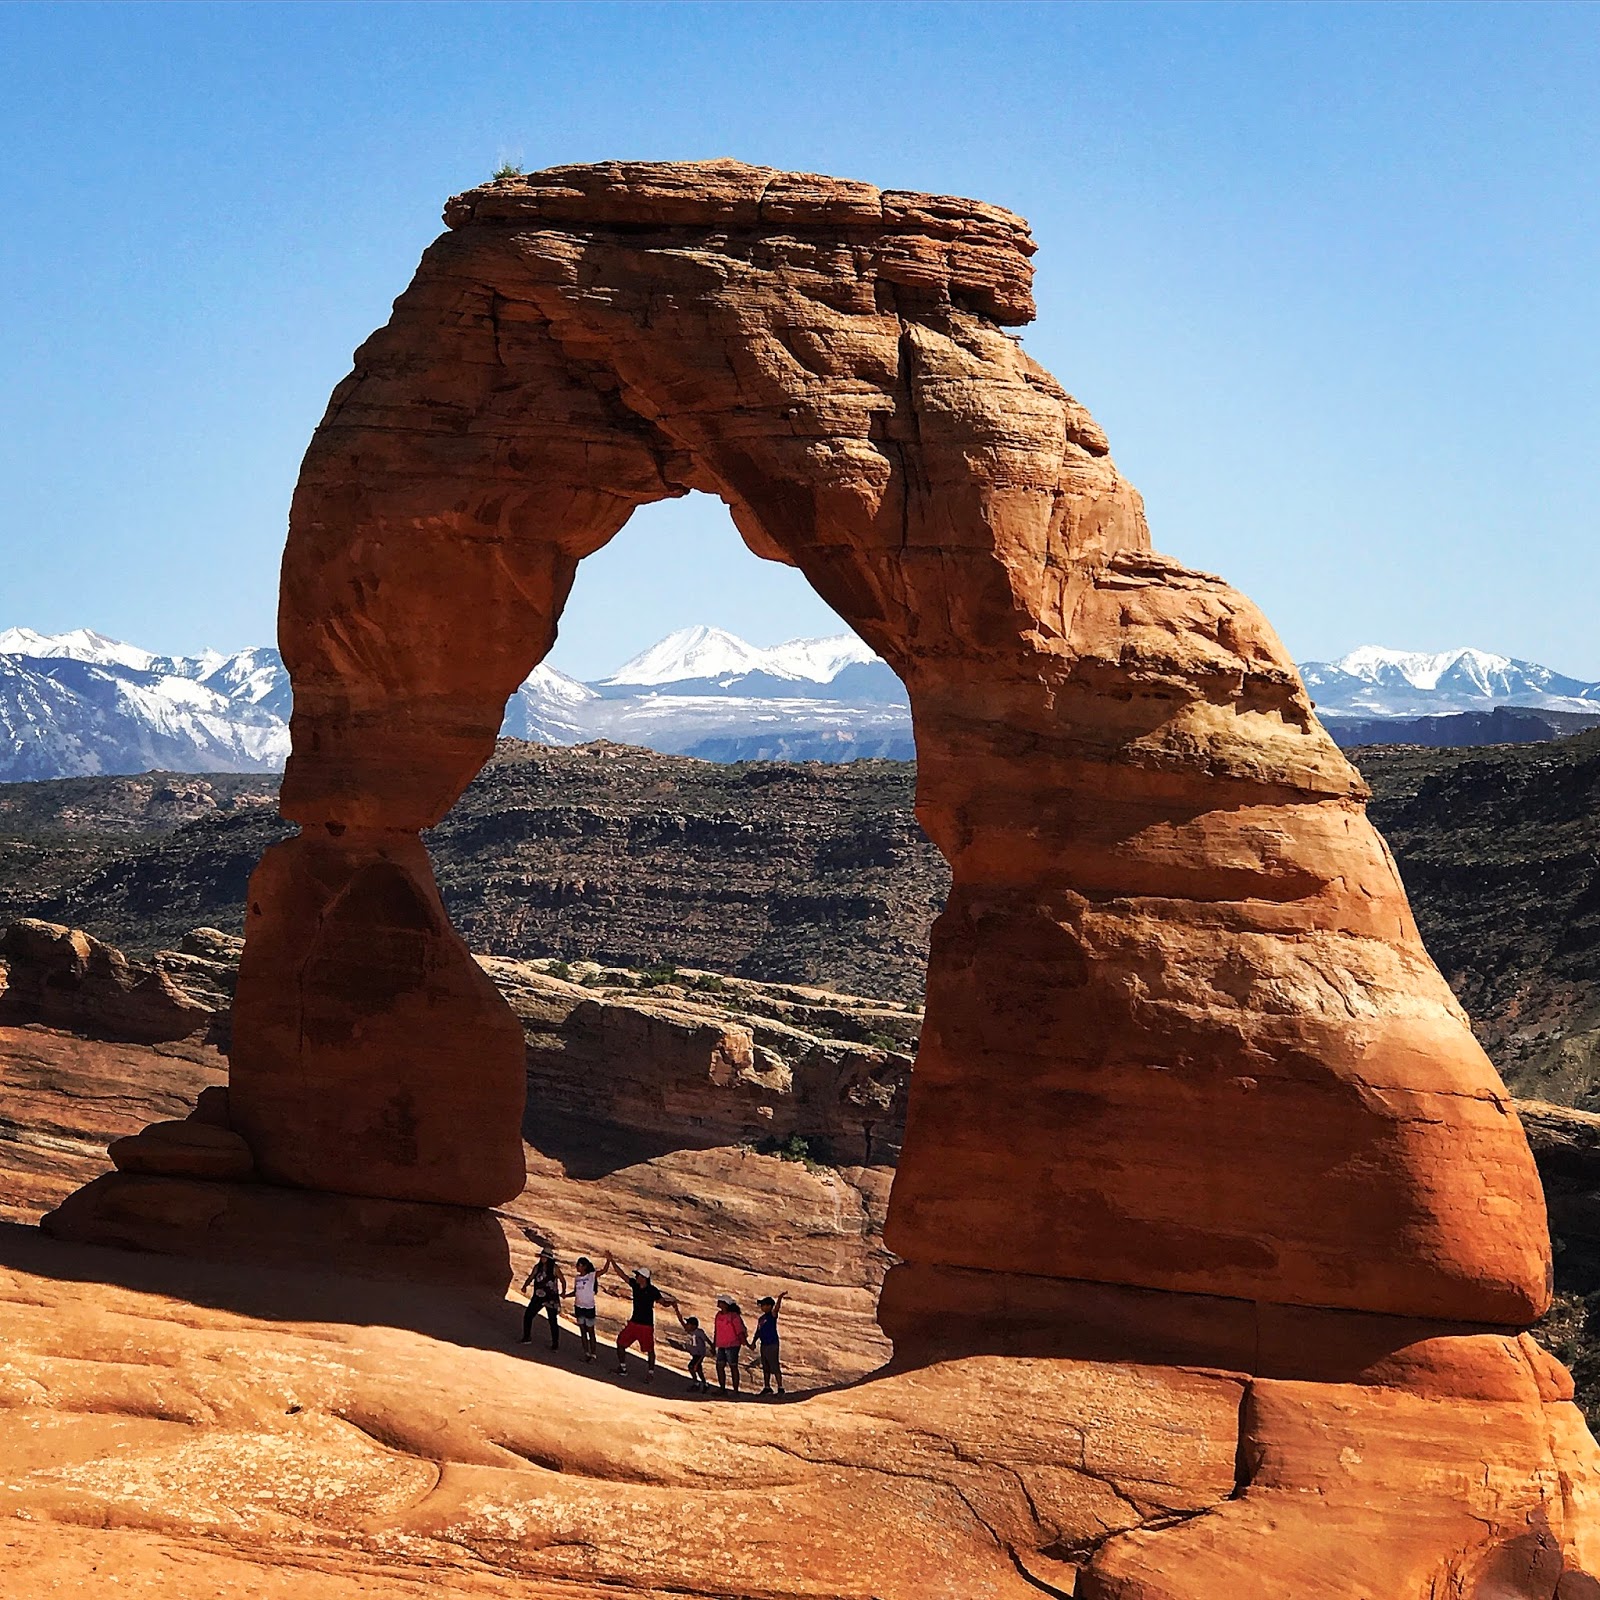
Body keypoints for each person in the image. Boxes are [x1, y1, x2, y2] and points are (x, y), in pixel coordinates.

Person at [605, 1260, 678, 1379]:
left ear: (643, 1278)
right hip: (635, 1322)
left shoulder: (653, 1290)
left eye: (638, 1275)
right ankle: (623, 1368)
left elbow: (662, 1302)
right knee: (620, 1343)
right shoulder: (635, 1285)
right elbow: (622, 1275)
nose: (636, 1277)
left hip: (646, 1325)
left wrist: (671, 1303)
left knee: (649, 1350)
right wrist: (611, 1261)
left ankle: (650, 1373)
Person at [521, 1245, 567, 1350]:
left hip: (551, 1298)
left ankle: (555, 1344)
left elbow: (562, 1280)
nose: (542, 1259)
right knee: (528, 1315)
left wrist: (563, 1291)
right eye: (542, 1257)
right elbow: (531, 1277)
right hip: (538, 1296)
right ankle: (526, 1337)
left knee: (552, 1320)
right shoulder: (538, 1267)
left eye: (544, 1257)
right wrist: (525, 1285)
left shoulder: (554, 1269)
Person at [567, 1251, 607, 1362]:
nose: (577, 1267)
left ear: (584, 1266)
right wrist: (566, 1295)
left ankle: (593, 1354)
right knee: (583, 1331)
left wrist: (608, 1260)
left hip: (589, 1307)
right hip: (579, 1306)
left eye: (578, 1265)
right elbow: (576, 1291)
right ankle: (586, 1353)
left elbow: (604, 1271)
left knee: (590, 1331)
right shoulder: (577, 1278)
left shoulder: (591, 1276)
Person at [749, 1291, 786, 1396]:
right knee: (766, 1366)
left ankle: (780, 1387)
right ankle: (767, 1387)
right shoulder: (761, 1319)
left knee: (774, 1365)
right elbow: (758, 1331)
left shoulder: (772, 1316)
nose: (762, 1307)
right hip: (764, 1344)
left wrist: (779, 1298)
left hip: (772, 1344)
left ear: (769, 1306)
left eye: (764, 1305)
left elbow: (777, 1308)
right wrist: (753, 1342)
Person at [713, 1295, 747, 1397]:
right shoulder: (718, 1315)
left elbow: (739, 1330)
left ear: (725, 1304)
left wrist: (744, 1341)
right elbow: (717, 1330)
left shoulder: (734, 1316)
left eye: (720, 1301)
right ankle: (722, 1388)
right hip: (722, 1344)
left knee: (733, 1366)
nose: (718, 1302)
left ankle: (735, 1391)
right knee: (719, 1366)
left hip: (732, 1344)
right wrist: (714, 1343)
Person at [677, 1310, 711, 1392]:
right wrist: (677, 1312)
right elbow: (682, 1322)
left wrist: (712, 1347)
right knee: (698, 1369)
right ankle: (704, 1384)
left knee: (691, 1367)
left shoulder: (699, 1333)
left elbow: (706, 1340)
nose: (687, 1325)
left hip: (699, 1354)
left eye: (689, 1324)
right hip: (696, 1354)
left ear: (693, 1326)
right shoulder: (691, 1331)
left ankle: (696, 1383)